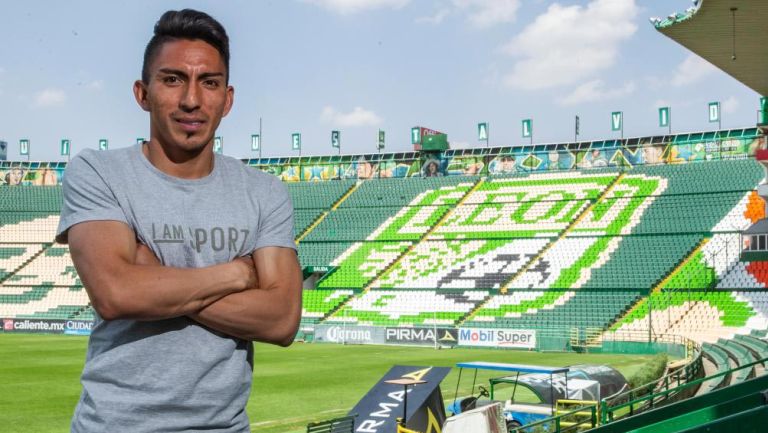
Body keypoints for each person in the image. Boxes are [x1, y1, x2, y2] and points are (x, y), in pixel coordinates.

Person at [55, 9, 302, 432]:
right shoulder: (98, 172)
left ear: (228, 98)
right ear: (142, 93)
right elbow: (116, 294)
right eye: (172, 79)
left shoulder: (264, 192)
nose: (192, 99)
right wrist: (236, 274)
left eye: (209, 82)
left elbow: (281, 320)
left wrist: (153, 278)